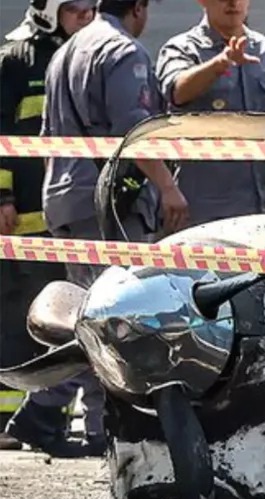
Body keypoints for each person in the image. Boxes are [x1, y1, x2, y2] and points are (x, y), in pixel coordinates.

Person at [6, 0, 190, 457]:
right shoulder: (122, 52)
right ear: (140, 8)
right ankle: (89, 424)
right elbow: (134, 132)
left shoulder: (68, 50)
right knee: (117, 321)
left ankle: (49, 415)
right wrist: (167, 187)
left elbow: (50, 133)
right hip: (107, 204)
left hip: (65, 198)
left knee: (88, 318)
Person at [0, 0, 99, 454]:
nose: (85, 15)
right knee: (21, 313)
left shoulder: (81, 56)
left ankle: (51, 422)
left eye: (91, 8)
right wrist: (2, 196)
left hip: (67, 216)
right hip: (23, 216)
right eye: (75, 8)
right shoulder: (16, 58)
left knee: (66, 317)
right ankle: (8, 417)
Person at [156, 0, 265, 224]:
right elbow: (177, 92)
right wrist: (219, 64)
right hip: (207, 214)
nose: (232, 3)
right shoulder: (182, 49)